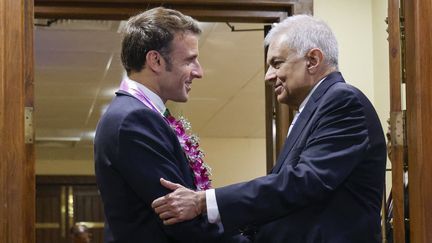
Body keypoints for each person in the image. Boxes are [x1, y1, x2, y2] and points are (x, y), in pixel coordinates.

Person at [152, 14, 387, 243]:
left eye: (276, 63)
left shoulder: (343, 100)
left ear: (313, 60)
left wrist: (204, 202)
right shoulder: (314, 108)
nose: (268, 76)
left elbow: (303, 182)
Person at [94, 7, 248, 243]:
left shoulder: (138, 114)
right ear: (155, 60)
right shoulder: (134, 120)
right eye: (190, 60)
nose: (199, 72)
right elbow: (179, 219)